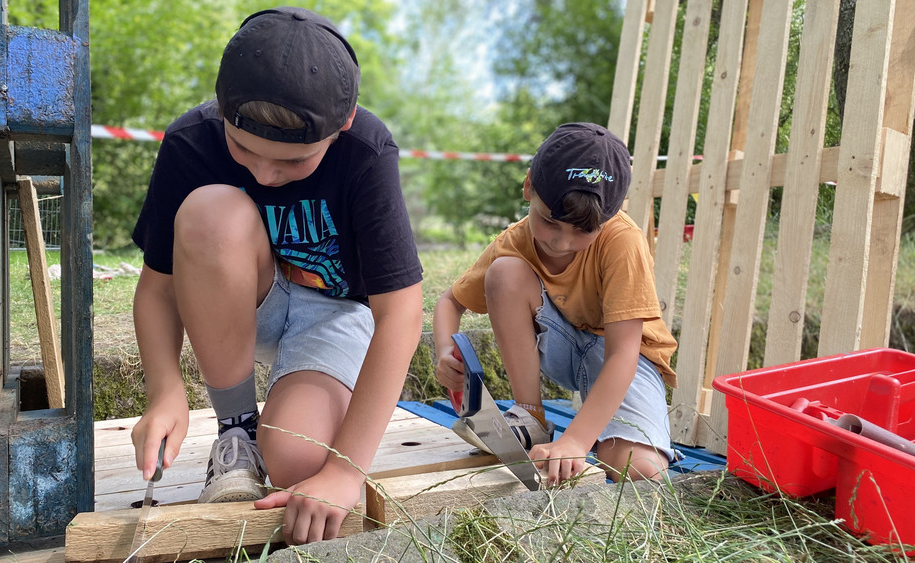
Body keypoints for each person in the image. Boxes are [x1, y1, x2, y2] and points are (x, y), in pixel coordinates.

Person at [129, 7, 423, 545]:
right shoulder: (190, 142)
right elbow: (156, 288)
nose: (264, 174)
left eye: (294, 162)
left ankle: (285, 440)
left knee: (299, 459)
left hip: (334, 311)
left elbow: (401, 313)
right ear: (221, 111)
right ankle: (235, 430)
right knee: (212, 212)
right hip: (246, 298)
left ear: (343, 127)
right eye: (243, 149)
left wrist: (345, 471)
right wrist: (165, 389)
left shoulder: (367, 151)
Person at [432, 123, 679, 484]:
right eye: (550, 222)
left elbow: (623, 354)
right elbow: (450, 302)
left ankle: (611, 435)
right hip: (563, 347)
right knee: (504, 274)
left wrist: (577, 440)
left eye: (583, 231)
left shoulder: (623, 242)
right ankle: (530, 417)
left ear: (611, 214)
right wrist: (442, 350)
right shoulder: (514, 242)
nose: (562, 243)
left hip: (625, 359)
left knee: (640, 470)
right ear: (529, 186)